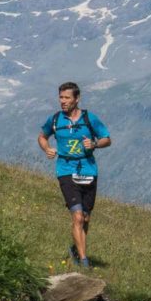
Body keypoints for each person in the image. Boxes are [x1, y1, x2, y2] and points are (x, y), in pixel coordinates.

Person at [37, 82, 111, 269]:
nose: (63, 101)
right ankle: (84, 263)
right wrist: (47, 149)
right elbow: (42, 136)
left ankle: (76, 249)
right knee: (77, 217)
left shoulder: (89, 119)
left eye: (67, 98)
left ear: (77, 99)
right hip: (66, 170)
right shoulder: (55, 120)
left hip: (88, 170)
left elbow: (107, 139)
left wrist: (94, 144)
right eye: (61, 97)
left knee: (85, 218)